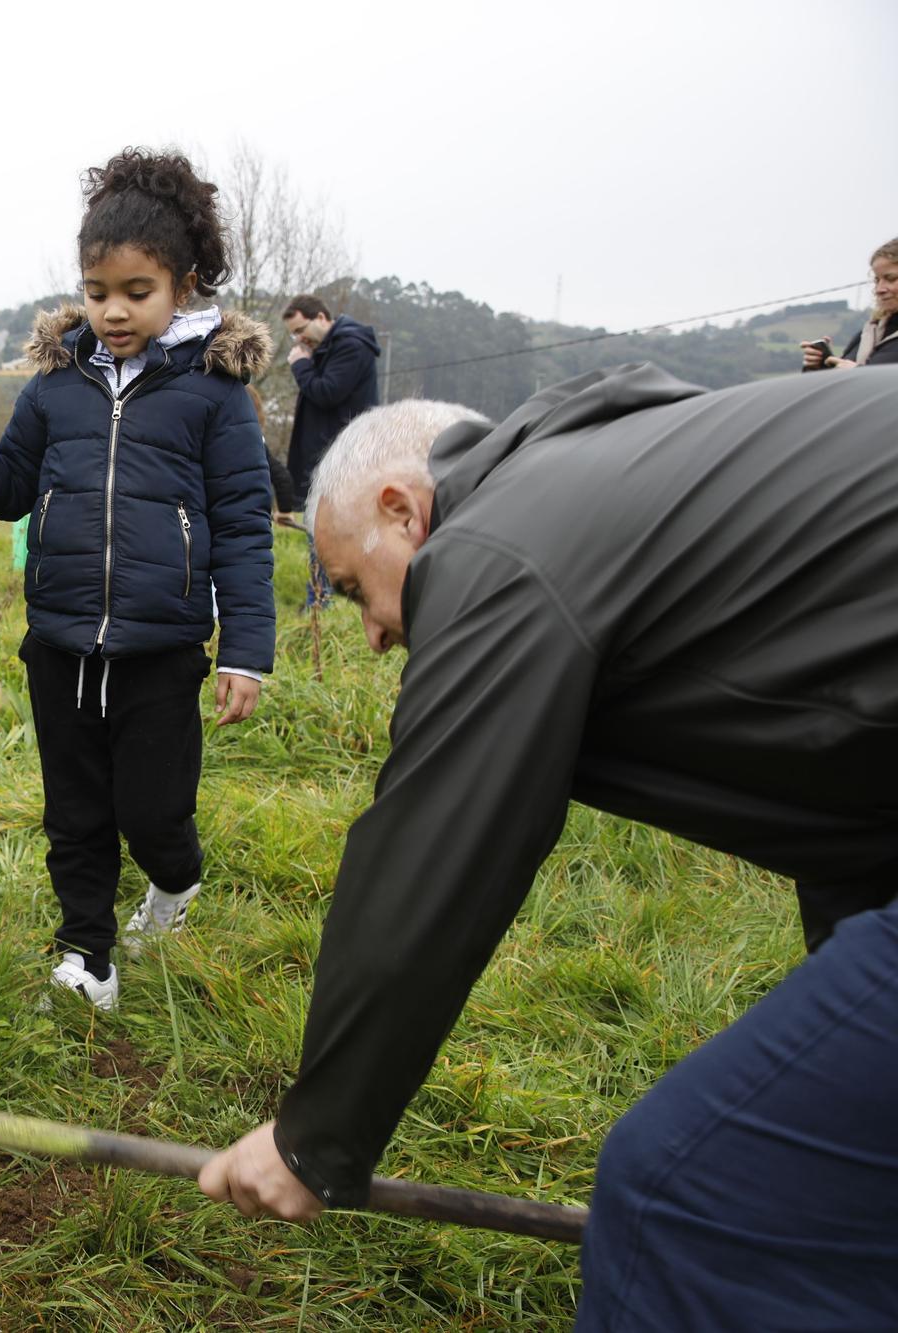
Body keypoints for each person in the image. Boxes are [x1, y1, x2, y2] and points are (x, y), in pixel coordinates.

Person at [196, 366, 898, 1327]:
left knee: (678, 1196)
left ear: (401, 509)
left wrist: (313, 1136)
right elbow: (843, 771)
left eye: (357, 585)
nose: (370, 633)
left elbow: (442, 835)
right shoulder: (597, 480)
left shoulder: (504, 542)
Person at [0, 149, 275, 1010]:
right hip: (61, 642)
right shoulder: (55, 386)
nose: (112, 310)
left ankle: (174, 881)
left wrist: (247, 652)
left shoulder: (215, 394)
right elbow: (10, 491)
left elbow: (242, 526)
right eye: (96, 289)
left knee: (154, 815)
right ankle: (86, 958)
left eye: (135, 291)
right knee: (75, 812)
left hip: (162, 649)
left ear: (181, 285)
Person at [281, 294, 379, 608]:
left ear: (322, 317)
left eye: (301, 329)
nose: (299, 338)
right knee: (320, 527)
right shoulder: (328, 348)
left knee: (326, 529)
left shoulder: (351, 346)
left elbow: (327, 392)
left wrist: (300, 366)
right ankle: (321, 598)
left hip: (343, 457)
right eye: (294, 334)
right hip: (329, 454)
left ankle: (322, 601)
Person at [801, 237, 898, 370]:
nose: (879, 289)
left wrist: (857, 373)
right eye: (876, 280)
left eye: (891, 279)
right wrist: (820, 366)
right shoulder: (868, 333)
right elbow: (842, 386)